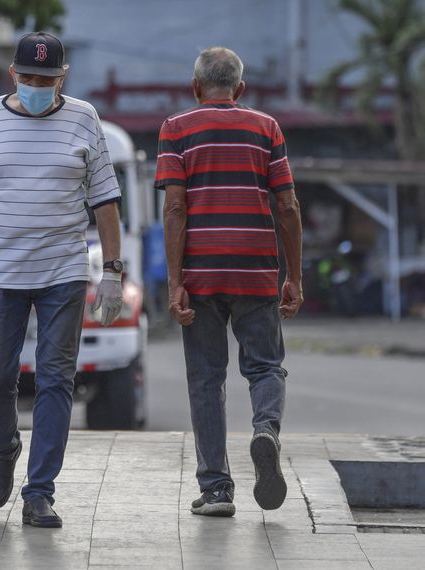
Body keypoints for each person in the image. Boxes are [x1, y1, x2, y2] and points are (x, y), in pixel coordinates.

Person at [0, 31, 124, 528]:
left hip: (63, 273)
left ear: (64, 78)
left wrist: (112, 271)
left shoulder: (84, 118)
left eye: (47, 78)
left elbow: (105, 200)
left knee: (56, 380)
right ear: (12, 75)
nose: (38, 85)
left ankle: (39, 491)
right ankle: (3, 449)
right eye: (29, 77)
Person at [155, 47, 303, 517]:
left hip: (200, 272)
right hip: (256, 269)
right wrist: (294, 276)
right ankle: (265, 430)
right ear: (240, 90)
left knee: (206, 379)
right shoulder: (267, 128)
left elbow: (175, 208)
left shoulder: (175, 130)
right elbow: (288, 207)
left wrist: (175, 281)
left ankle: (217, 490)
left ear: (196, 87)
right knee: (264, 367)